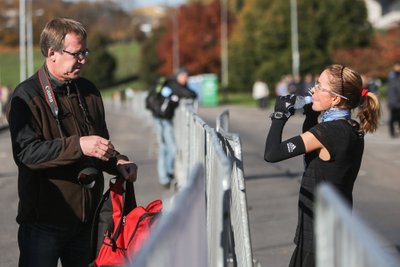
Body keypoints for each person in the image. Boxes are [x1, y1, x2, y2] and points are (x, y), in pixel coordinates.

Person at [7, 18, 138, 267]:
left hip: (86, 221)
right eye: (77, 53)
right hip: (43, 222)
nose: (83, 60)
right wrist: (78, 146)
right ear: (52, 53)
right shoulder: (27, 96)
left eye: (85, 52)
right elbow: (26, 154)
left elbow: (100, 144)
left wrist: (118, 161)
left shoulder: (88, 90)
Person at [264, 64, 380, 267]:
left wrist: (279, 116)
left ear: (335, 99)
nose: (313, 90)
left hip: (319, 235)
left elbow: (272, 154)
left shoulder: (330, 133)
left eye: (320, 86)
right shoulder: (349, 127)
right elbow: (313, 153)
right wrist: (310, 114)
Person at [152, 67, 197, 187]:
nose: (186, 79)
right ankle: (165, 178)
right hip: (162, 119)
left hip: (164, 118)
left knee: (167, 148)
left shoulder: (174, 84)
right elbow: (190, 94)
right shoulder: (173, 85)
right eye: (185, 76)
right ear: (179, 76)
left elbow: (191, 94)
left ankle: (167, 174)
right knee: (166, 148)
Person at [387, 64, 400, 137]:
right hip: (393, 102)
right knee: (393, 118)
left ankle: (394, 131)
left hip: (396, 102)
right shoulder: (392, 76)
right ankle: (392, 132)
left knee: (397, 118)